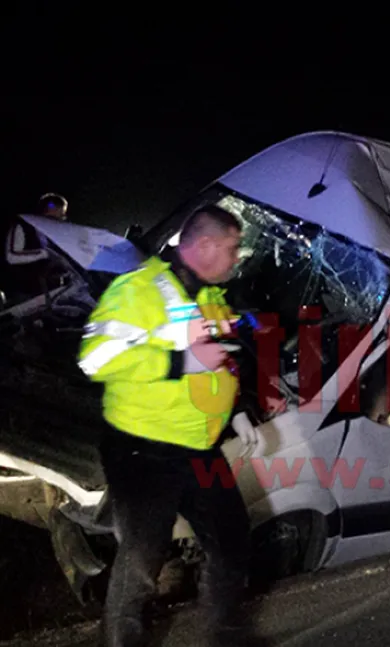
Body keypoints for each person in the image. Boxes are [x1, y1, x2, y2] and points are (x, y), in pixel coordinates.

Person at [77, 205, 264, 647]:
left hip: (200, 446)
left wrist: (238, 411)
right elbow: (94, 358)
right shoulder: (137, 290)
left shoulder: (212, 299)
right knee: (143, 558)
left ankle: (226, 634)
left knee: (233, 542)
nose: (238, 257)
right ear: (204, 245)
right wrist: (179, 362)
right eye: (233, 248)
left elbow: (219, 365)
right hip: (143, 447)